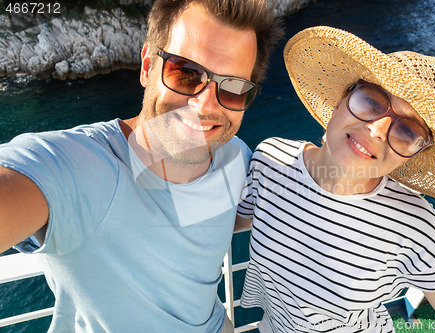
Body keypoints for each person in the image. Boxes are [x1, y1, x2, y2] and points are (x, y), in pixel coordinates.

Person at [0, 0, 282, 332]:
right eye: (186, 73)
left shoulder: (235, 158)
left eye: (233, 88)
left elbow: (236, 215)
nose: (205, 104)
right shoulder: (74, 167)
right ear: (148, 66)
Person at [236, 26, 435, 333]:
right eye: (371, 102)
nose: (377, 128)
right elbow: (230, 221)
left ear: (411, 155)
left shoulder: (411, 222)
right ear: (339, 103)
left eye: (407, 132)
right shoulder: (270, 160)